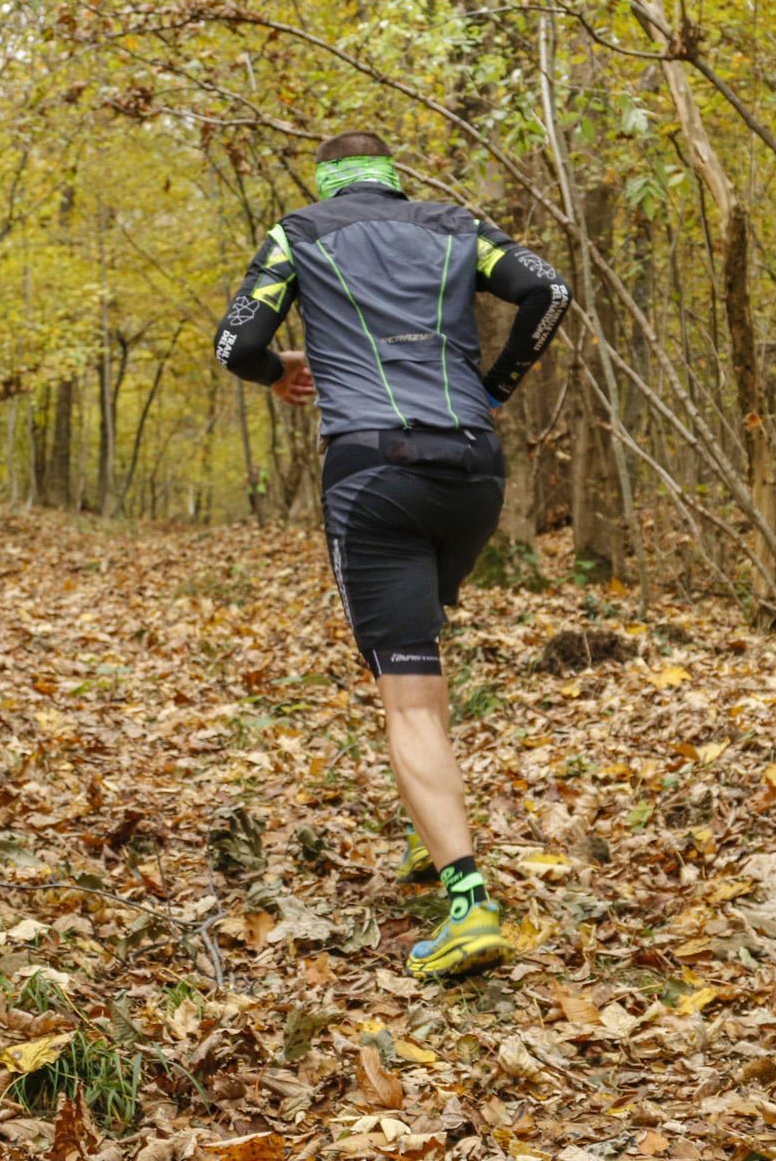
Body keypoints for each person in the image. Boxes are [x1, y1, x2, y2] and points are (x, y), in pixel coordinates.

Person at [214, 131, 571, 982]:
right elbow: (549, 291)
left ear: (329, 182)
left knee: (405, 692)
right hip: (474, 471)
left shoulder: (301, 232)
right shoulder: (454, 226)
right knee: (421, 662)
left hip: (375, 473)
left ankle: (469, 903)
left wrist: (278, 369)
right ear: (391, 179)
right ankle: (427, 827)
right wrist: (495, 387)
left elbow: (236, 344)